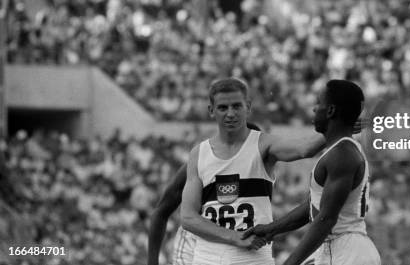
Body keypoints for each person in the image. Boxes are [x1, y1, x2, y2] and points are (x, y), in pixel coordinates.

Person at [180, 78, 341, 265]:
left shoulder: (263, 144)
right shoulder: (199, 153)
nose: (230, 114)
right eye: (223, 108)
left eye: (237, 106)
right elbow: (188, 217)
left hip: (252, 257)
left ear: (248, 107)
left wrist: (339, 127)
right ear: (211, 110)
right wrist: (234, 237)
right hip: (207, 257)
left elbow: (304, 149)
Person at [244, 80, 381, 265]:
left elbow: (326, 219)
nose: (314, 109)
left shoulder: (342, 155)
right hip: (343, 249)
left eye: (318, 103)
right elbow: (313, 207)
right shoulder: (339, 151)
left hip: (344, 251)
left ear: (331, 111)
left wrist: (290, 262)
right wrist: (271, 229)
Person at [147, 122, 261, 265]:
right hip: (194, 247)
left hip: (234, 250)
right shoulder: (202, 162)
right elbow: (161, 212)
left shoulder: (262, 172)